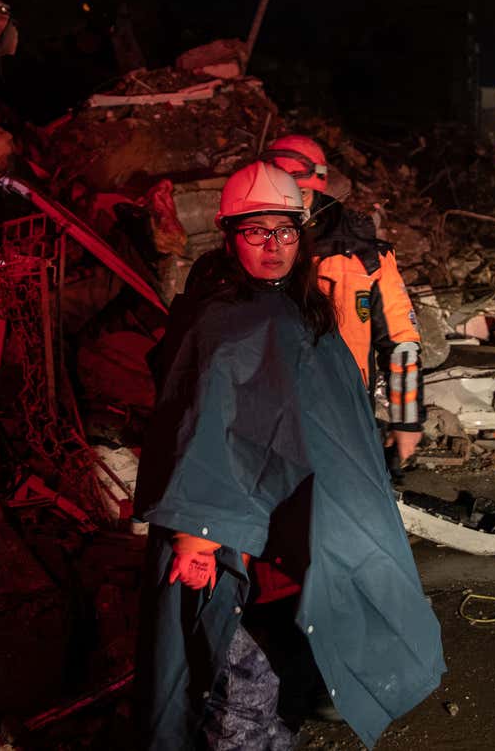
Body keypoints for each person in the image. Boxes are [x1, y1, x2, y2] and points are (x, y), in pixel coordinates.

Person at [134, 162, 445, 750]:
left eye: (284, 231)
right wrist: (196, 535)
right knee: (236, 682)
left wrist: (396, 435)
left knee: (287, 677)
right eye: (256, 232)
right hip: (238, 538)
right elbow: (197, 423)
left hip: (293, 523)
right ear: (230, 234)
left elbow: (362, 377)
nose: (273, 246)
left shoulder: (306, 303)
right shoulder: (222, 318)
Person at [258, 135, 424, 479]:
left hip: (345, 410)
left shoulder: (362, 252)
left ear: (316, 190)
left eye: (299, 195)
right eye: (278, 196)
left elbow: (400, 342)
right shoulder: (249, 247)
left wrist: (406, 421)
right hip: (267, 415)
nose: (290, 206)